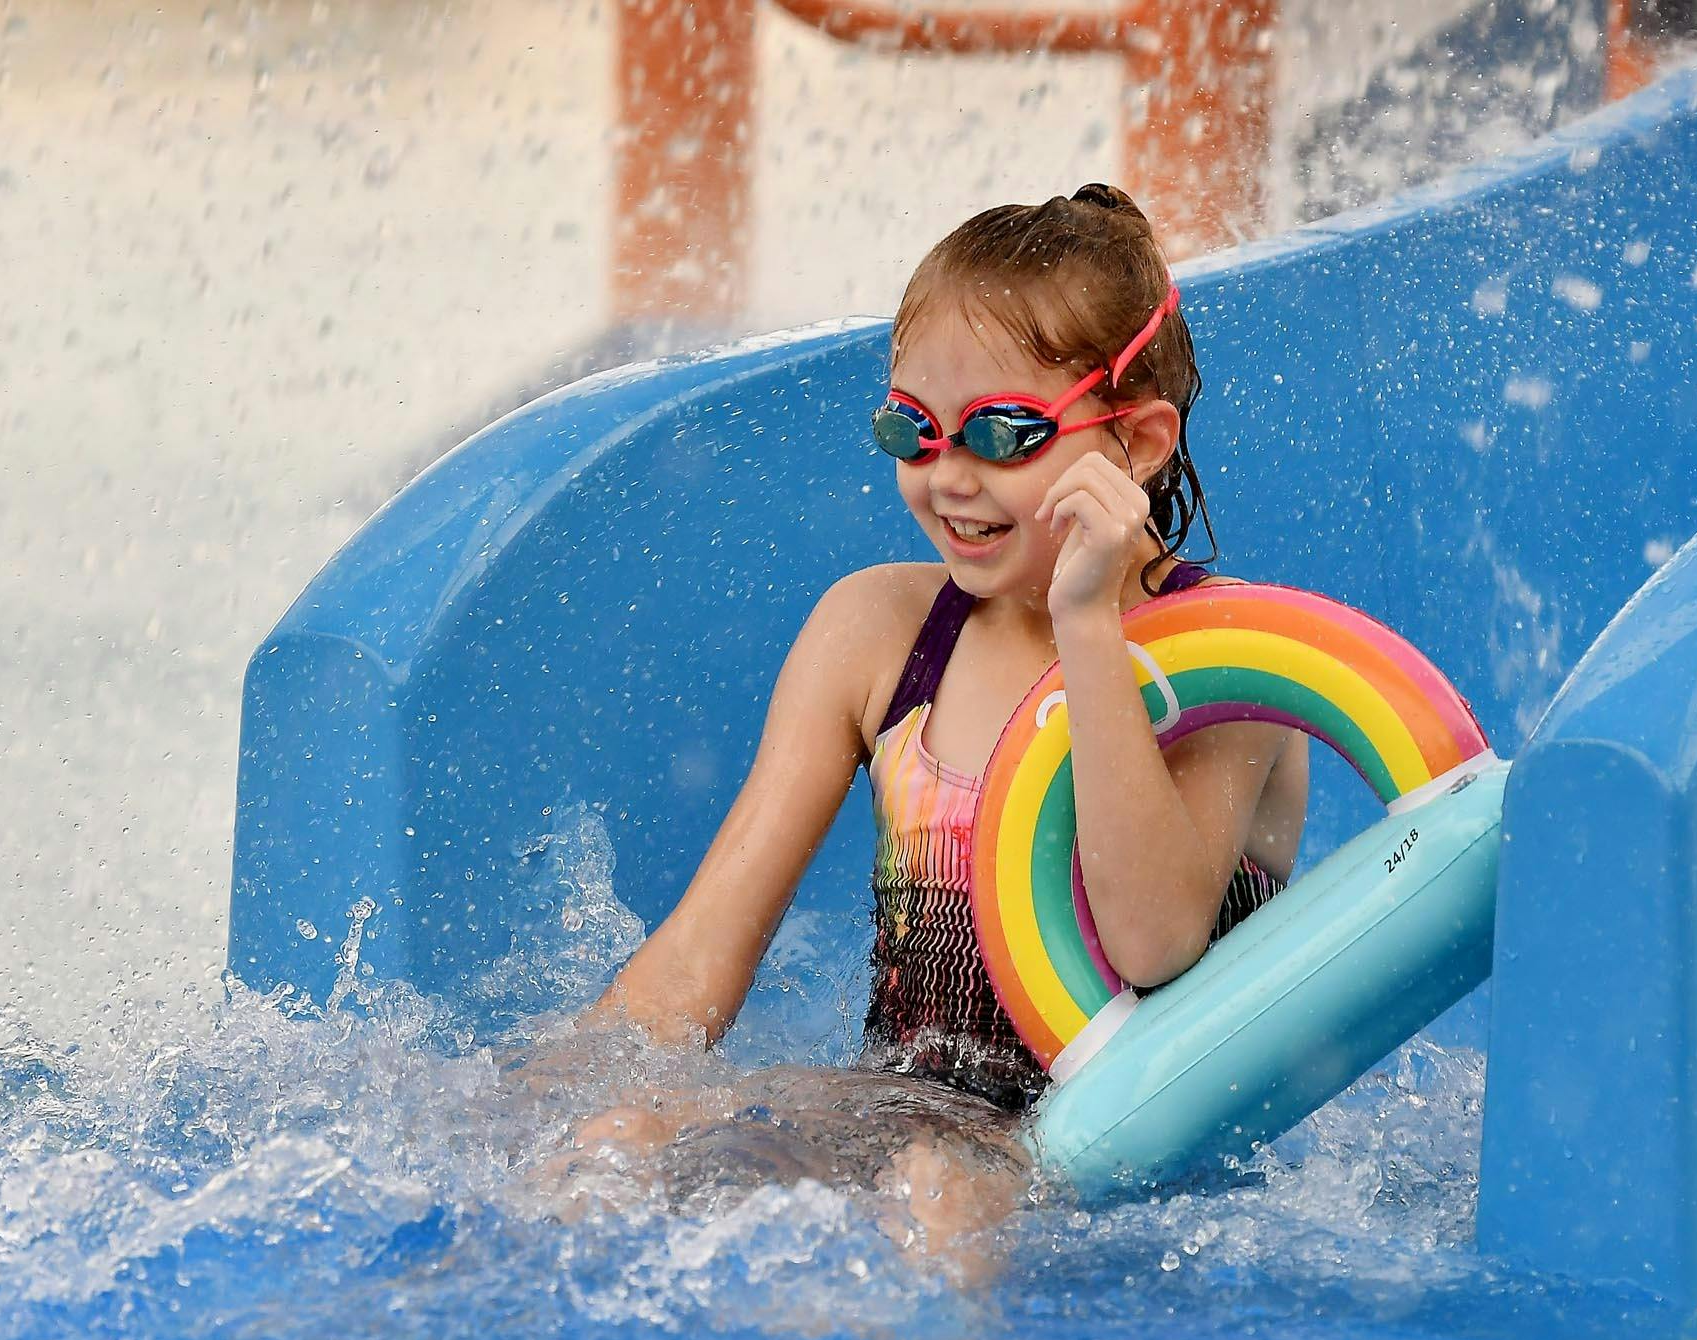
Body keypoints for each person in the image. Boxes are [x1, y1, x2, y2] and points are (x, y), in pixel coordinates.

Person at [548, 184, 1309, 1273]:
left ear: (1135, 441)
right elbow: (685, 978)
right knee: (610, 1146)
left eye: (1004, 433)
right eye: (912, 428)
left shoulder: (1229, 664)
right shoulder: (880, 633)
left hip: (1126, 1160)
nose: (949, 475)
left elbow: (1150, 941)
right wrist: (510, 1102)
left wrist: (1086, 622)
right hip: (908, 1109)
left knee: (936, 1195)